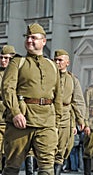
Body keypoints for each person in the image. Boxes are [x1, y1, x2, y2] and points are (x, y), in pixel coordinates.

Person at [1, 23, 63, 175]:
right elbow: (7, 89)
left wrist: (56, 124)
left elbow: (58, 97)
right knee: (12, 165)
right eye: (28, 37)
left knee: (47, 165)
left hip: (46, 122)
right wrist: (15, 113)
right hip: (22, 121)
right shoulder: (17, 62)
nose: (29, 40)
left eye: (34, 38)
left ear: (44, 41)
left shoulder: (52, 65)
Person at [53, 49, 86, 174]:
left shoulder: (73, 80)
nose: (57, 62)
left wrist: (80, 119)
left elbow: (78, 101)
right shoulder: (49, 77)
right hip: (50, 116)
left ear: (67, 62)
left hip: (66, 117)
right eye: (55, 60)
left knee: (63, 149)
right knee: (47, 148)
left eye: (60, 60)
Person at [0, 45, 16, 172]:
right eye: (1, 58)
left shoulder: (18, 73)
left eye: (6, 58)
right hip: (0, 119)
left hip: (13, 118)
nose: (3, 61)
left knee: (11, 150)